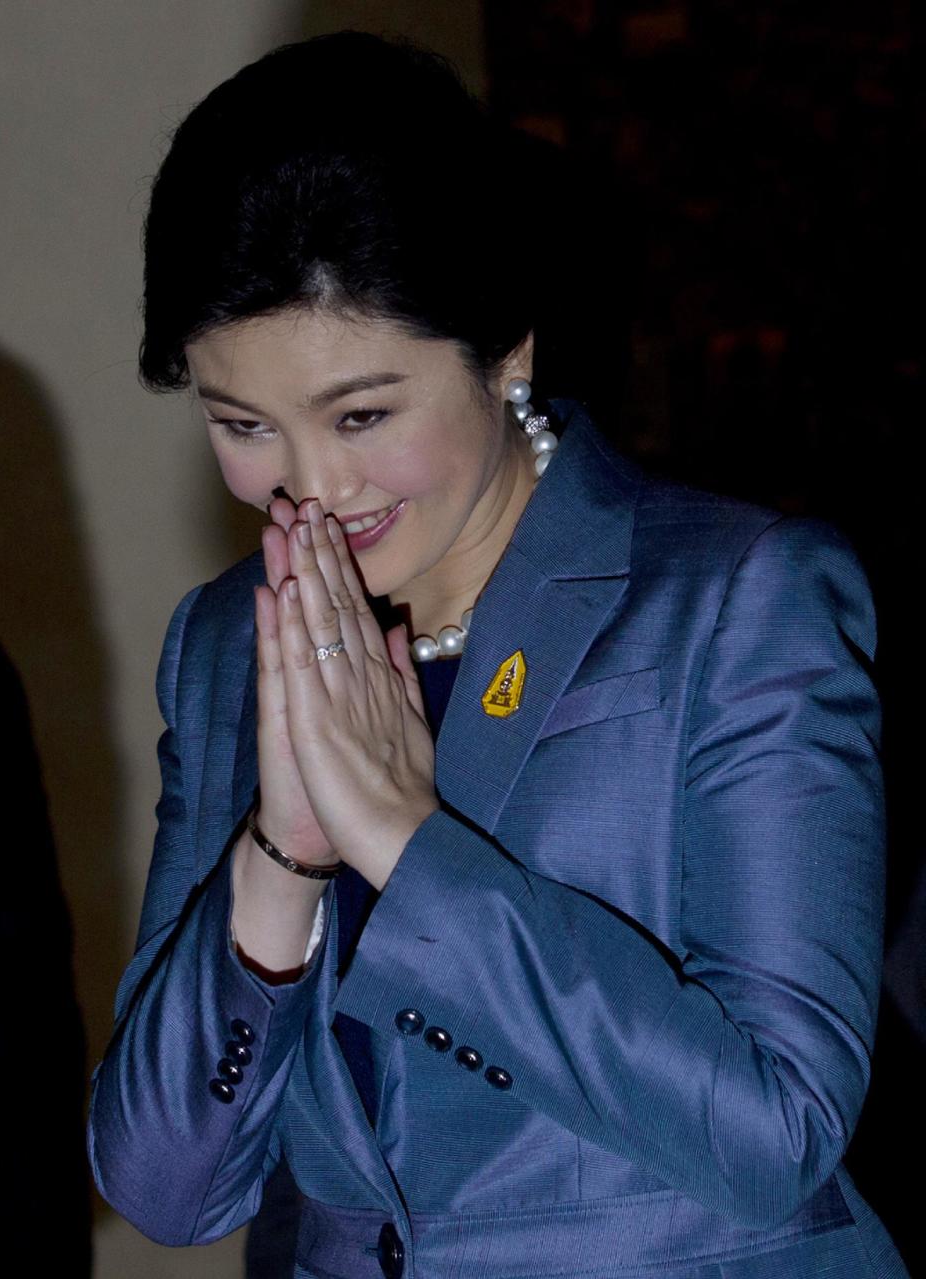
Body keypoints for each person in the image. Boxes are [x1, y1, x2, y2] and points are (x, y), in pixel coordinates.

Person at [87, 31, 909, 1279]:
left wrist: (411, 853)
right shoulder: (226, 644)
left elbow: (777, 1130)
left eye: (362, 414)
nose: (312, 489)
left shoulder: (738, 602)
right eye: (243, 425)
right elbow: (166, 1185)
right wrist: (282, 860)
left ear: (506, 348)